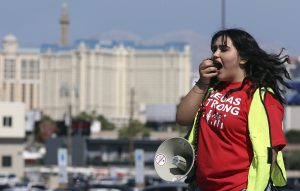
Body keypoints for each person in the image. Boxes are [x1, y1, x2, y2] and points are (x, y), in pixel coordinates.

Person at [176, 28, 291, 191]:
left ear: (243, 58)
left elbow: (271, 151)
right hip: (204, 187)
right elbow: (183, 118)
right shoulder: (210, 90)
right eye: (214, 49)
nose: (215, 54)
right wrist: (202, 83)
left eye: (223, 49)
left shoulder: (262, 97)